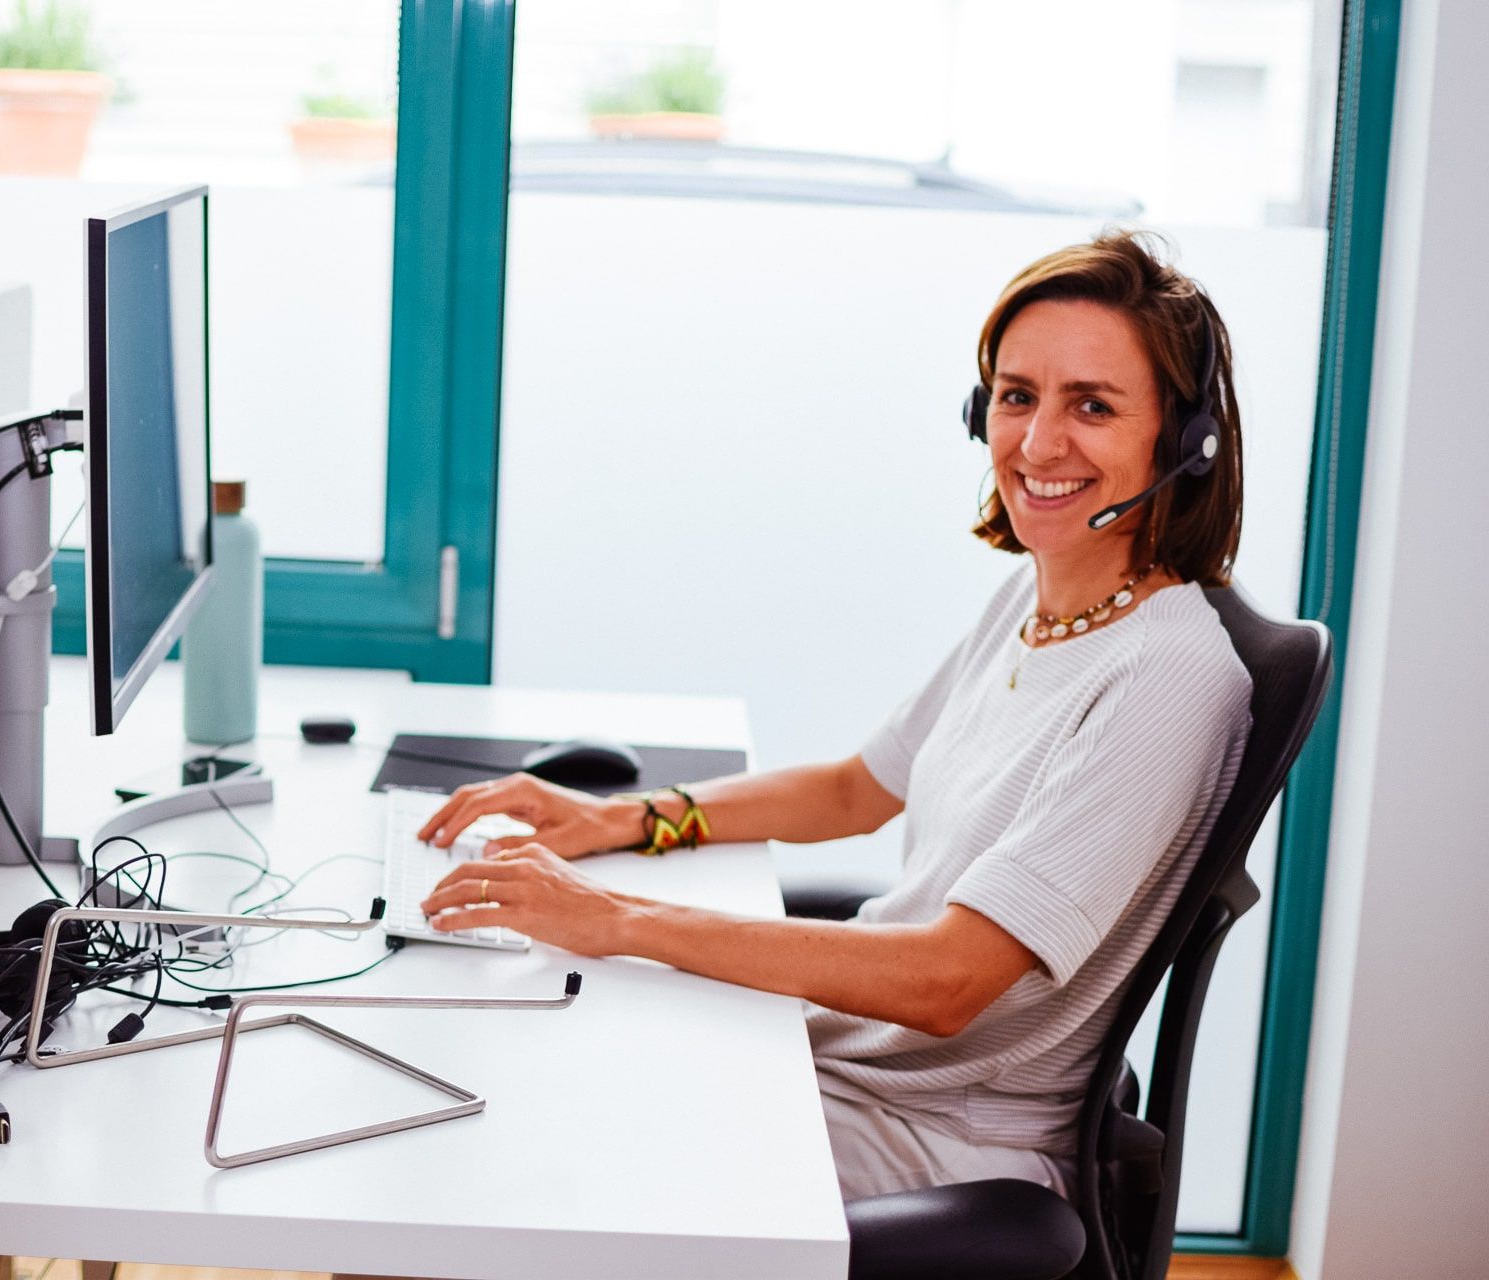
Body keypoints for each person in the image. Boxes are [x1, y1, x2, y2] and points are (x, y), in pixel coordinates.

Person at [417, 229, 1254, 1208]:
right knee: (494, 1091)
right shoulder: (1042, 605)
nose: (1037, 443)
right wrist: (628, 818)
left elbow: (948, 979)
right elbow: (858, 789)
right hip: (846, 1066)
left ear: (1184, 442)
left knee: (480, 1168)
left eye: (1094, 406)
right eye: (1018, 396)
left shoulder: (1166, 675)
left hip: (934, 1132)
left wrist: (618, 917)